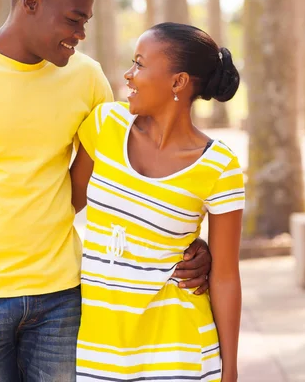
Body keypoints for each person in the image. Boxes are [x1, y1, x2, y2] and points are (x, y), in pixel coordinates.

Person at [0, 0, 212, 380]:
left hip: (63, 297)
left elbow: (123, 180)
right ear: (31, 2)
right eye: (74, 20)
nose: (81, 34)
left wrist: (187, 244)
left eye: (86, 22)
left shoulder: (87, 79)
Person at [70, 22, 244, 382]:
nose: (128, 75)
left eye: (140, 64)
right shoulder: (106, 125)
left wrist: (230, 372)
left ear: (178, 82)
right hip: (100, 350)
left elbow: (226, 276)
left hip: (181, 352)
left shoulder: (219, 166)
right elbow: (64, 202)